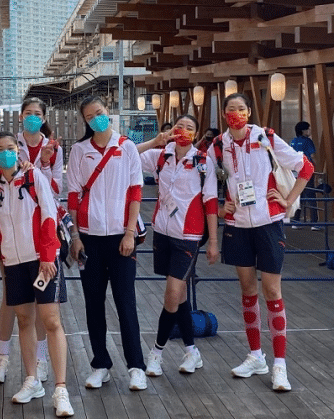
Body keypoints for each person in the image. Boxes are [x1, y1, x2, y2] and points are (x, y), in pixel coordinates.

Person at [209, 92, 313, 392]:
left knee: (272, 290)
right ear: (224, 114)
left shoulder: (265, 137)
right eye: (231, 109)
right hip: (237, 226)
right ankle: (256, 356)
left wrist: (288, 200)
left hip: (269, 223)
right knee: (247, 289)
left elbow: (305, 168)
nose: (236, 113)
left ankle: (280, 364)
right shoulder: (218, 146)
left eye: (241, 108)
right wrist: (220, 209)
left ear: (249, 112)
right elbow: (207, 186)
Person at [0, 131, 74, 417]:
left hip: (40, 259)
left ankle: (61, 389)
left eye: (10, 148)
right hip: (13, 261)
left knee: (51, 320)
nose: (6, 153)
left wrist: (48, 256)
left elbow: (49, 215)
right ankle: (32, 380)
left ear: (18, 151)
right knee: (24, 320)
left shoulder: (33, 176)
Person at [67, 95, 147, 391]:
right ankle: (100, 364)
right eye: (90, 117)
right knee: (93, 303)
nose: (96, 119)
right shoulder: (79, 151)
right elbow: (73, 196)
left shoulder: (127, 147)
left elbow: (136, 192)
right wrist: (76, 237)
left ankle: (136, 366)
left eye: (99, 112)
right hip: (89, 239)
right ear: (85, 121)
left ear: (108, 111)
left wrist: (129, 233)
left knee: (126, 302)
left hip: (121, 237)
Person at [0, 97, 65, 384]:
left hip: (40, 236)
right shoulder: (8, 144)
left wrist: (43, 163)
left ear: (43, 117)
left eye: (37, 113)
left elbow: (54, 190)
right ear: (20, 116)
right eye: (28, 113)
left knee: (45, 308)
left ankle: (42, 360)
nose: (32, 117)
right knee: (13, 300)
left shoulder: (53, 149)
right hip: (11, 239)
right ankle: (3, 356)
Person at [137, 115, 219, 376]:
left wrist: (213, 241)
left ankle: (156, 352)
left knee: (172, 293)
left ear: (196, 134)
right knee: (180, 295)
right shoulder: (161, 156)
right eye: (179, 126)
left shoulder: (203, 162)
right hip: (162, 232)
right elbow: (128, 154)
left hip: (189, 236)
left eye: (189, 128)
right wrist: (156, 141)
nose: (183, 130)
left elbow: (211, 203)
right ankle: (192, 351)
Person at [290, 121, 319, 229]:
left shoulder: (293, 141)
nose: (310, 131)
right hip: (306, 172)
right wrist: (318, 168)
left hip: (295, 172)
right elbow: (313, 156)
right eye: (308, 129)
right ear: (303, 130)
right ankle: (314, 223)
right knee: (311, 195)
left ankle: (296, 221)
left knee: (298, 196)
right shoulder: (308, 141)